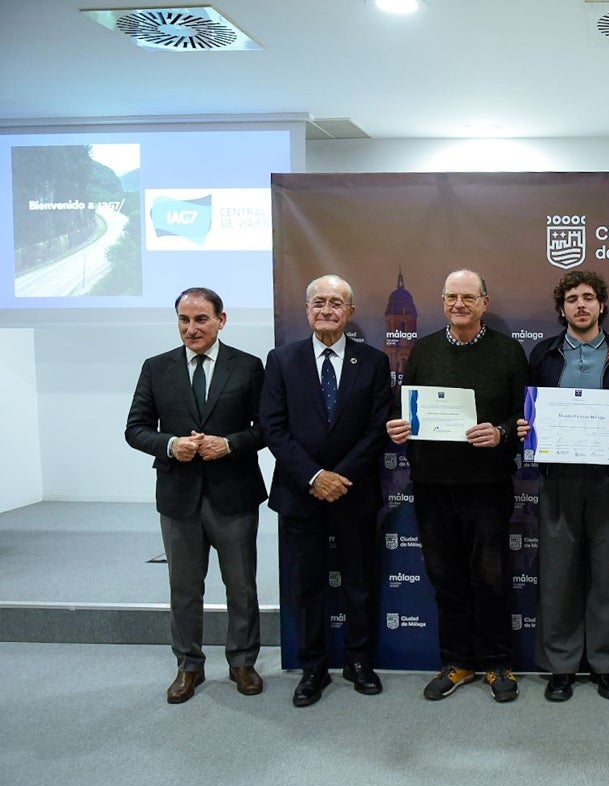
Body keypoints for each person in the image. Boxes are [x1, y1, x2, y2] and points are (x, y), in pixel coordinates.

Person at [386, 269, 530, 703]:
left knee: (491, 577)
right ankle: (458, 662)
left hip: (487, 484)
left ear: (485, 302)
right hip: (432, 484)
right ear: (443, 302)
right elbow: (411, 411)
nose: (460, 304)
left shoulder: (507, 351)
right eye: (452, 297)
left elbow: (524, 416)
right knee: (445, 577)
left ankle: (498, 661)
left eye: (469, 297)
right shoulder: (424, 350)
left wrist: (501, 433)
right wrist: (401, 429)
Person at [125, 287, 268, 704]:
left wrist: (231, 443)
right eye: (184, 320)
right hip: (178, 497)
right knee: (184, 589)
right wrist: (171, 444)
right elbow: (135, 429)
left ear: (222, 320)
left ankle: (242, 662)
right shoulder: (156, 368)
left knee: (241, 587)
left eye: (201, 319)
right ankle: (189, 666)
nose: (192, 328)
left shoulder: (247, 366)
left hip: (234, 494)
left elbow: (265, 428)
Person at [261, 275, 391, 708]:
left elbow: (378, 429)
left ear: (351, 313)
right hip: (301, 493)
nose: (327, 310)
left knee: (359, 582)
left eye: (337, 303)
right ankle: (312, 666)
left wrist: (340, 477)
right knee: (307, 584)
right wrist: (316, 476)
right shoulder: (281, 360)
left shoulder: (373, 362)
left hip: (354, 492)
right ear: (306, 310)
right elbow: (273, 429)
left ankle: (358, 662)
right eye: (319, 302)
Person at [520, 270, 609, 701]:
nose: (581, 305)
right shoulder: (544, 354)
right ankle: (561, 666)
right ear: (563, 308)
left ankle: (606, 665)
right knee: (558, 575)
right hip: (559, 478)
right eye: (573, 299)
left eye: (589, 297)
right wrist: (526, 428)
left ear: (601, 305)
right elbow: (529, 411)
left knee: (607, 575)